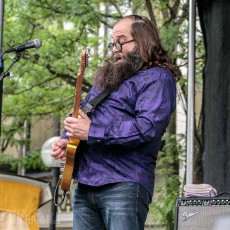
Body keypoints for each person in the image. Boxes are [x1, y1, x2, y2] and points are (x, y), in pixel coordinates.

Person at [51, 14, 180, 230]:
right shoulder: (108, 78)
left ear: (143, 41)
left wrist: (92, 132)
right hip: (85, 185)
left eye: (121, 40)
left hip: (124, 183)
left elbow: (146, 128)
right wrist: (67, 140)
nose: (115, 47)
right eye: (113, 42)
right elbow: (81, 115)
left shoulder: (158, 77)